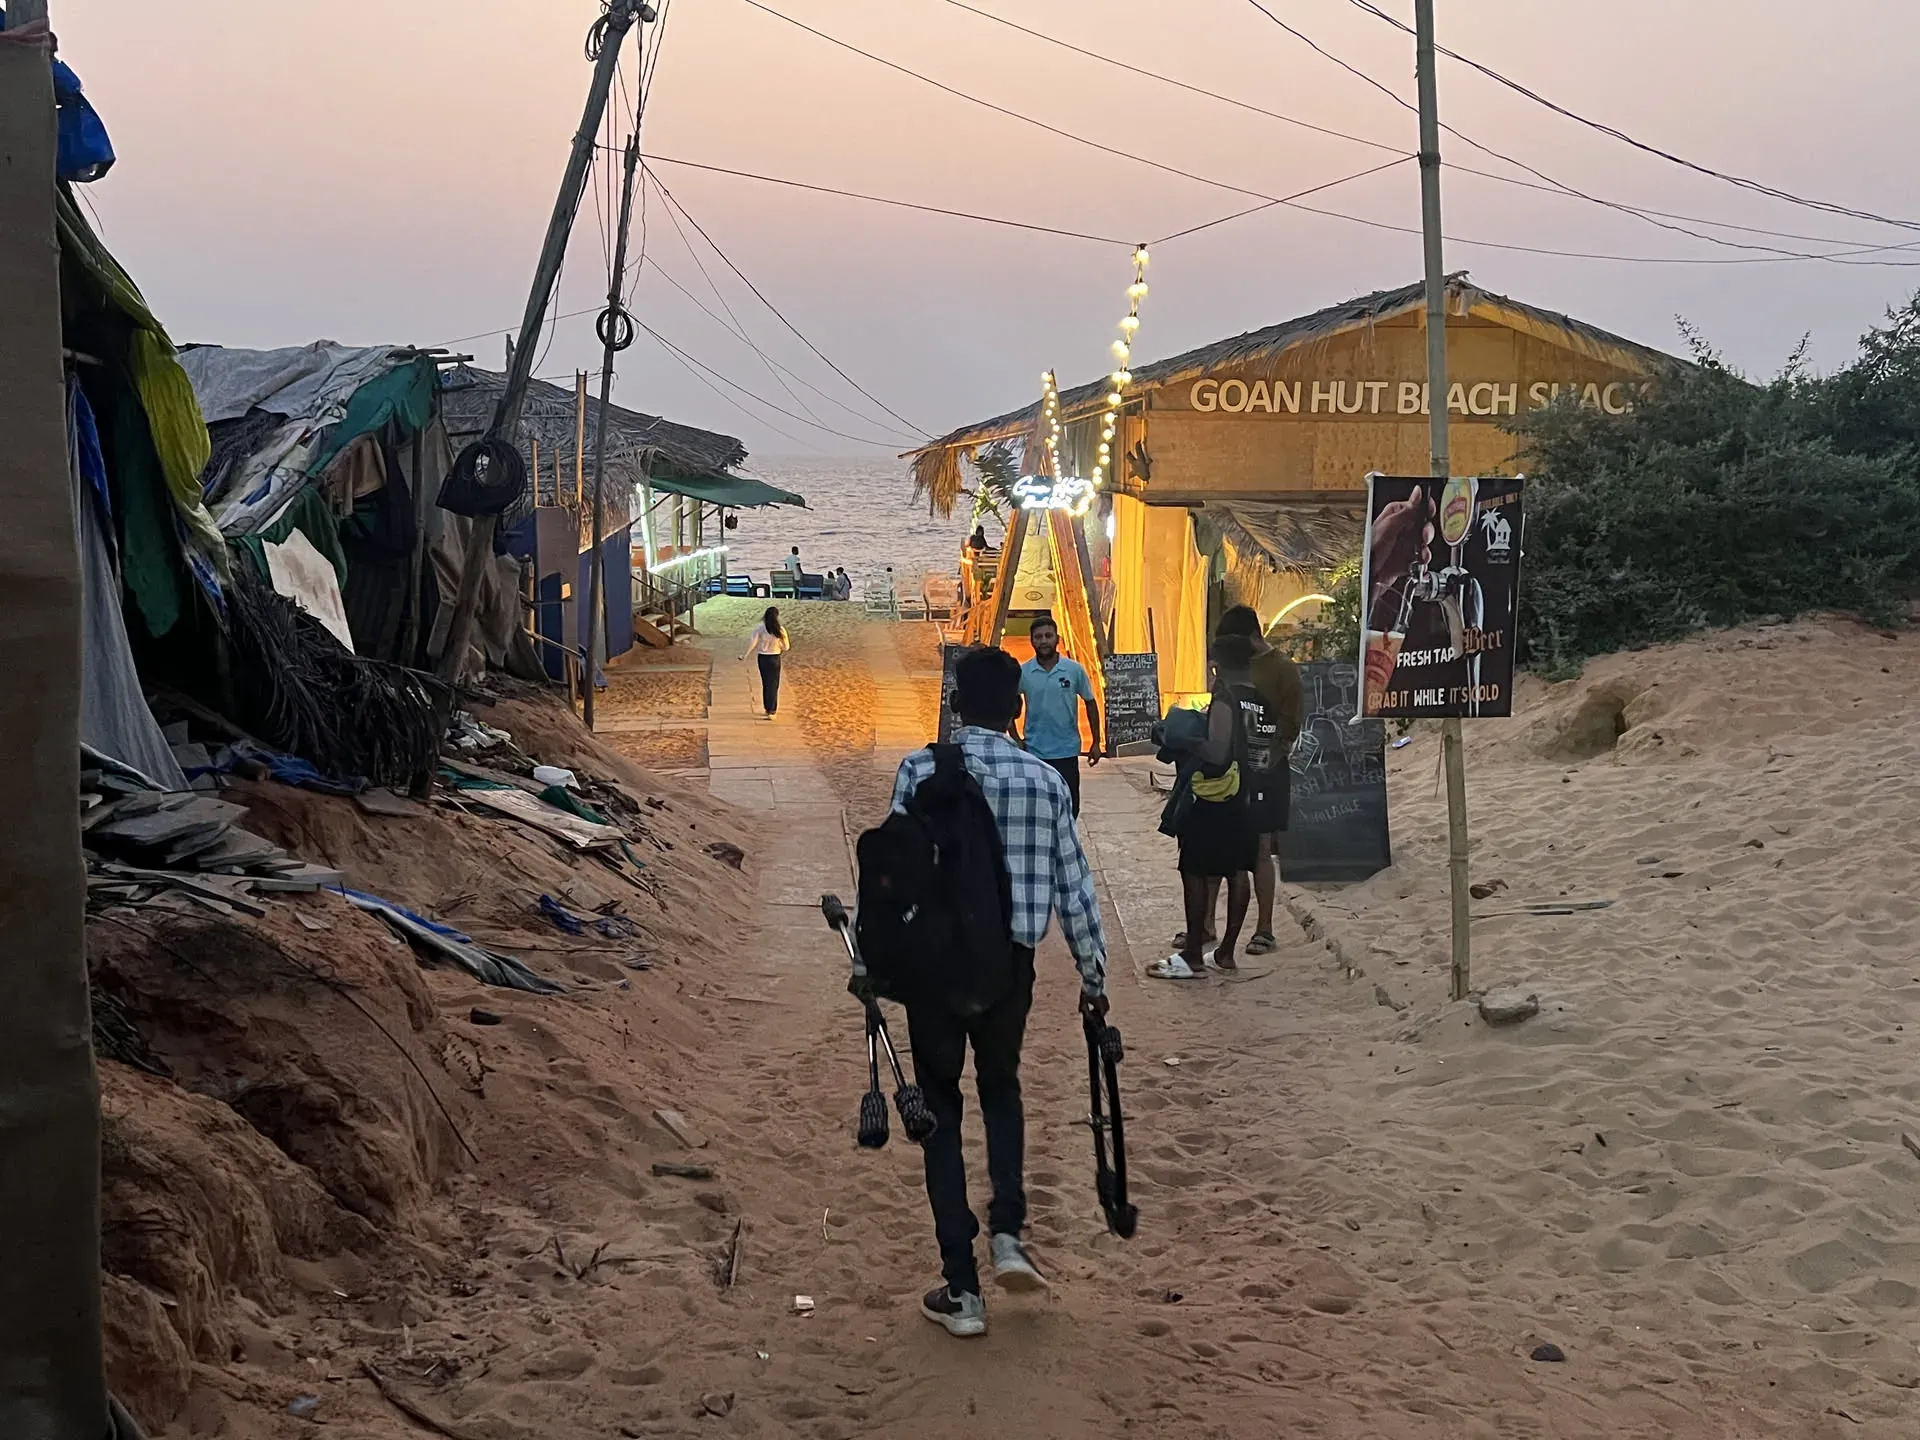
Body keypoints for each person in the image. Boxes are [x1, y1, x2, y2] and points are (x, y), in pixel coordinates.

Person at [889, 645, 1109, 1338]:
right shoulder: (1047, 782)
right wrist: (1093, 974)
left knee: (941, 1114)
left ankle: (962, 1288)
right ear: (1017, 709)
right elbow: (1075, 888)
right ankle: (1008, 1231)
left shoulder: (920, 769)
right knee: (1002, 1090)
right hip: (1008, 968)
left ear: (955, 707)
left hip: (935, 971)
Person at [1176, 606, 1305, 956]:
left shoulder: (1283, 670)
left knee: (1260, 852)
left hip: (1266, 775)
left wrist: (1263, 763)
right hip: (1227, 775)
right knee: (1218, 851)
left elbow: (1289, 727)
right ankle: (1205, 926)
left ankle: (1264, 929)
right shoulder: (1231, 671)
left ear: (1247, 638)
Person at [1150, 635, 1257, 979]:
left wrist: (1182, 738)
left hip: (1215, 795)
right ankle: (1226, 951)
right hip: (1248, 788)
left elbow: (1217, 751)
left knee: (1194, 869)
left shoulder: (1227, 698)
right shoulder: (1258, 694)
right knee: (1239, 869)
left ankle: (1194, 953)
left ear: (1218, 664)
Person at [1012, 614, 1100, 818]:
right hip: (1035, 752)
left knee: (1070, 808)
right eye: (1038, 637)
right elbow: (1010, 704)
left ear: (1057, 639)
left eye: (1048, 636)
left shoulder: (1073, 670)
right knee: (1038, 807)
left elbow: (1090, 702)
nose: (1044, 641)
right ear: (1032, 640)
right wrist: (1016, 739)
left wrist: (1095, 742)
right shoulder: (1024, 672)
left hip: (1067, 751)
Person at [741, 606, 789, 717]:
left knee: (766, 683)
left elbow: (753, 643)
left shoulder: (760, 628)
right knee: (774, 684)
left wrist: (745, 655)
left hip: (763, 658)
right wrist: (778, 644)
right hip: (775, 657)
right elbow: (786, 647)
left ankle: (767, 708)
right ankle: (772, 710)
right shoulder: (780, 629)